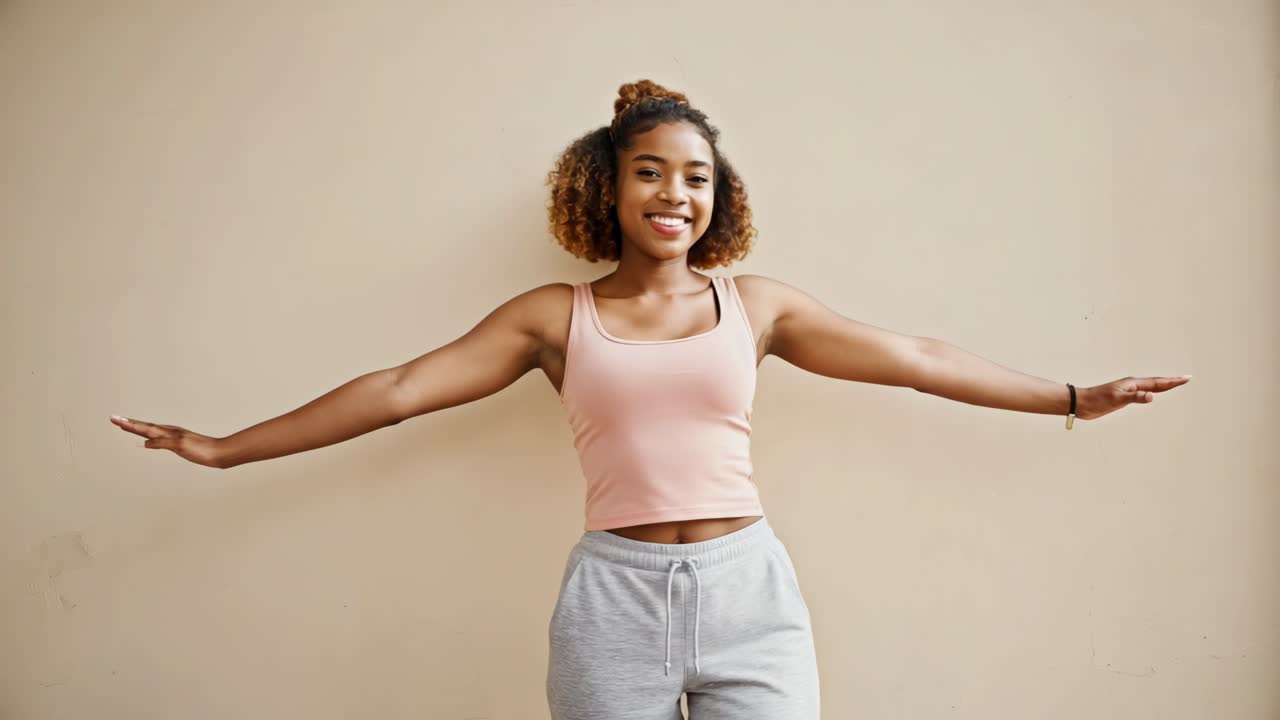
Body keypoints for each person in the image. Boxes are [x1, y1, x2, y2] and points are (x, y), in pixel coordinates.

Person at [110, 79, 1191, 719]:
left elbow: (911, 354)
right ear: (604, 186)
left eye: (695, 177)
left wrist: (1066, 393)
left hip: (747, 594)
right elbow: (397, 391)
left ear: (717, 200)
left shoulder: (755, 307)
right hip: (611, 602)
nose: (674, 192)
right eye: (649, 171)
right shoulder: (548, 319)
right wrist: (221, 450)